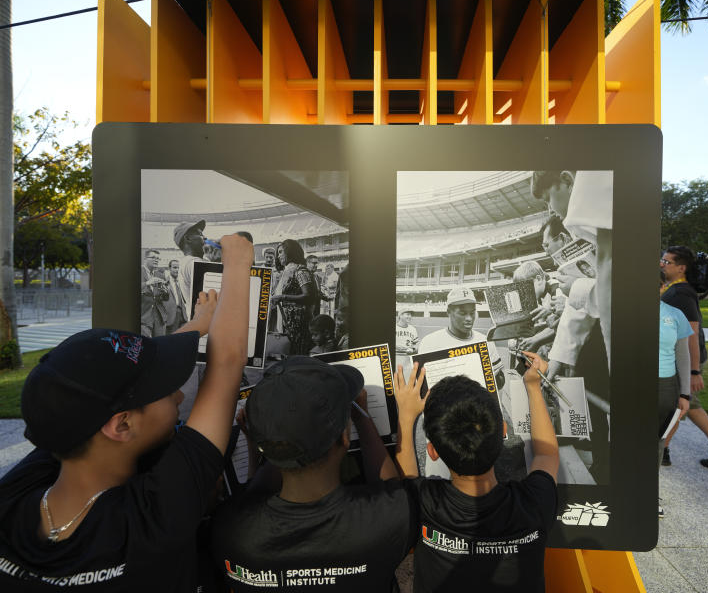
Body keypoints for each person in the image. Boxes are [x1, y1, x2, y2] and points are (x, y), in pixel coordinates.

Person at [0, 234, 254, 591]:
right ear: (121, 425)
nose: (179, 395)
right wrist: (240, 261)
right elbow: (226, 362)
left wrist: (196, 325)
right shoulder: (151, 521)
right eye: (164, 391)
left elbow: (75, 413)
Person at [209, 356, 419, 592]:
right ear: (344, 437)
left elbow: (253, 497)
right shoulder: (389, 517)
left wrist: (261, 445)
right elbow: (393, 490)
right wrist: (362, 418)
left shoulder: (228, 529)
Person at [393, 353, 559, 593]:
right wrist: (533, 386)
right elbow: (546, 455)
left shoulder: (424, 503)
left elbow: (406, 479)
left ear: (432, 452)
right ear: (503, 431)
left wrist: (406, 417)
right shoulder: (534, 503)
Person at [659, 245, 708, 470]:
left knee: (680, 404)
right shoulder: (676, 289)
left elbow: (691, 334)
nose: (661, 264)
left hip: (686, 358)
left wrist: (694, 371)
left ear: (681, 268)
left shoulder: (681, 292)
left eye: (667, 262)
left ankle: (664, 449)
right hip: (679, 358)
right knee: (687, 404)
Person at [657, 271, 692, 517]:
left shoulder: (674, 315)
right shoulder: (620, 311)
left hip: (665, 386)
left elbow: (683, 357)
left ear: (663, 287)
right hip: (630, 384)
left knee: (657, 441)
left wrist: (686, 394)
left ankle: (648, 493)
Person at [271, 239, 319, 355]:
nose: (279, 256)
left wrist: (282, 297)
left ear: (290, 251)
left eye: (281, 252)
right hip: (289, 323)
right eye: (278, 253)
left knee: (298, 355)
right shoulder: (287, 271)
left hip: (299, 325)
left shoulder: (300, 271)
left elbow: (309, 296)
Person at [173, 219, 208, 308]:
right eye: (200, 234)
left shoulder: (186, 262)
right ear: (188, 238)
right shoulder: (194, 263)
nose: (205, 237)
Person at [140, 249, 169, 336]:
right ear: (145, 259)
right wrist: (147, 283)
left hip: (159, 316)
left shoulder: (160, 275)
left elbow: (166, 298)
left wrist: (165, 290)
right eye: (153, 257)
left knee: (160, 344)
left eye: (158, 258)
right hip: (144, 315)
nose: (156, 260)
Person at [165, 259, 188, 334]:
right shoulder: (164, 282)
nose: (177, 270)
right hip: (171, 316)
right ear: (169, 268)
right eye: (175, 267)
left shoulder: (183, 282)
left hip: (183, 316)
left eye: (178, 268)